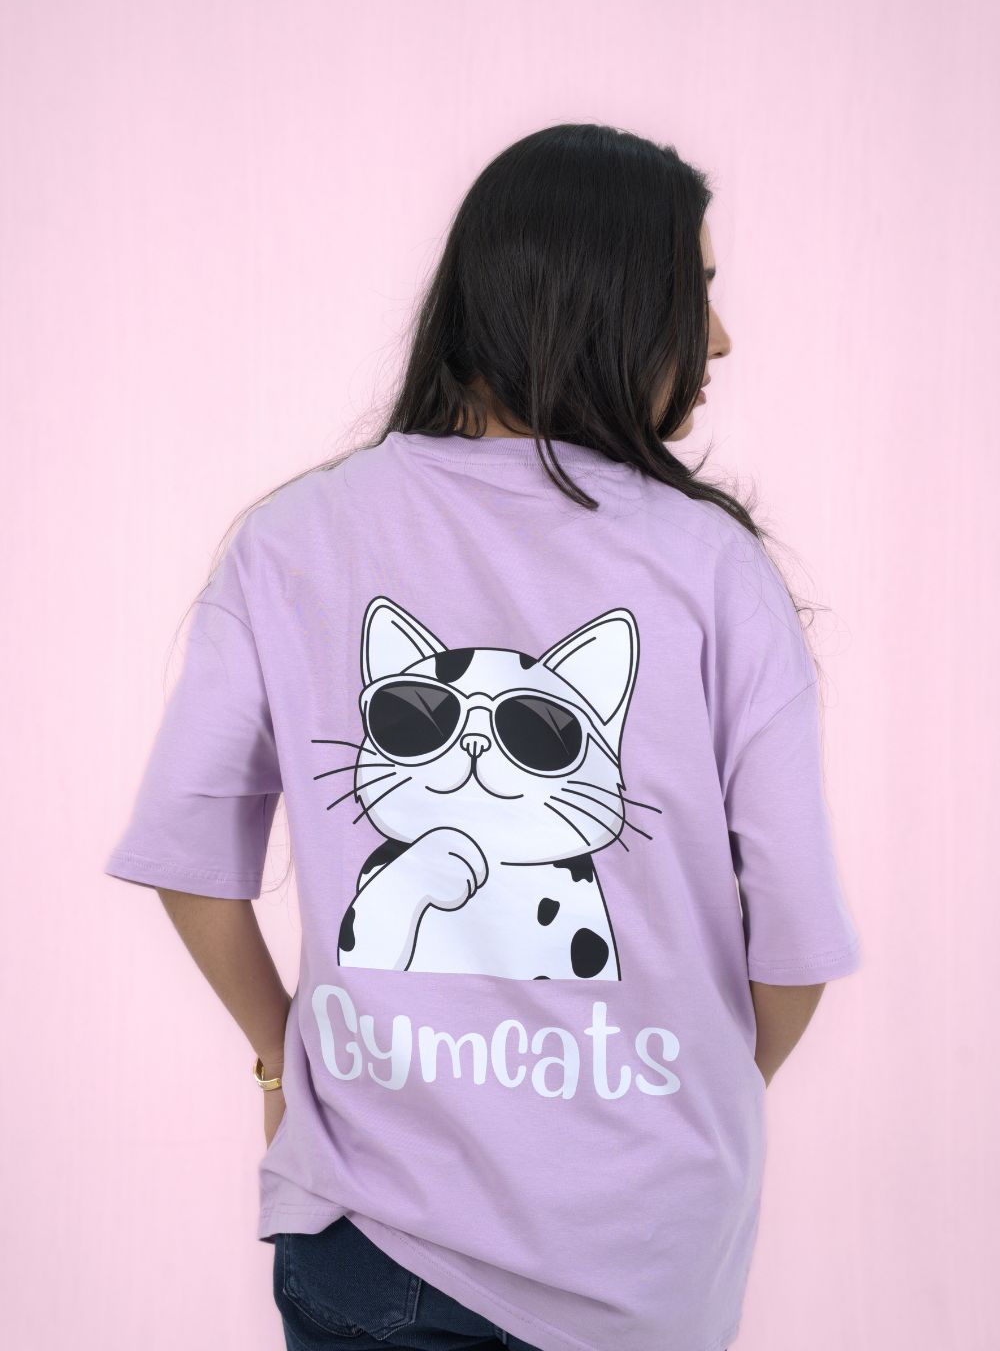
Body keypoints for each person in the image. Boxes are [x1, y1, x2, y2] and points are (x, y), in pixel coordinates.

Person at [104, 123, 862, 1351]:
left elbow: (190, 859)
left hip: (369, 1230)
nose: (719, 337)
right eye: (695, 293)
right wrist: (678, 1100)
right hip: (637, 1250)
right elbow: (795, 937)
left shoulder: (294, 539)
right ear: (605, 302)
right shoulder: (713, 567)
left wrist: (283, 1059)